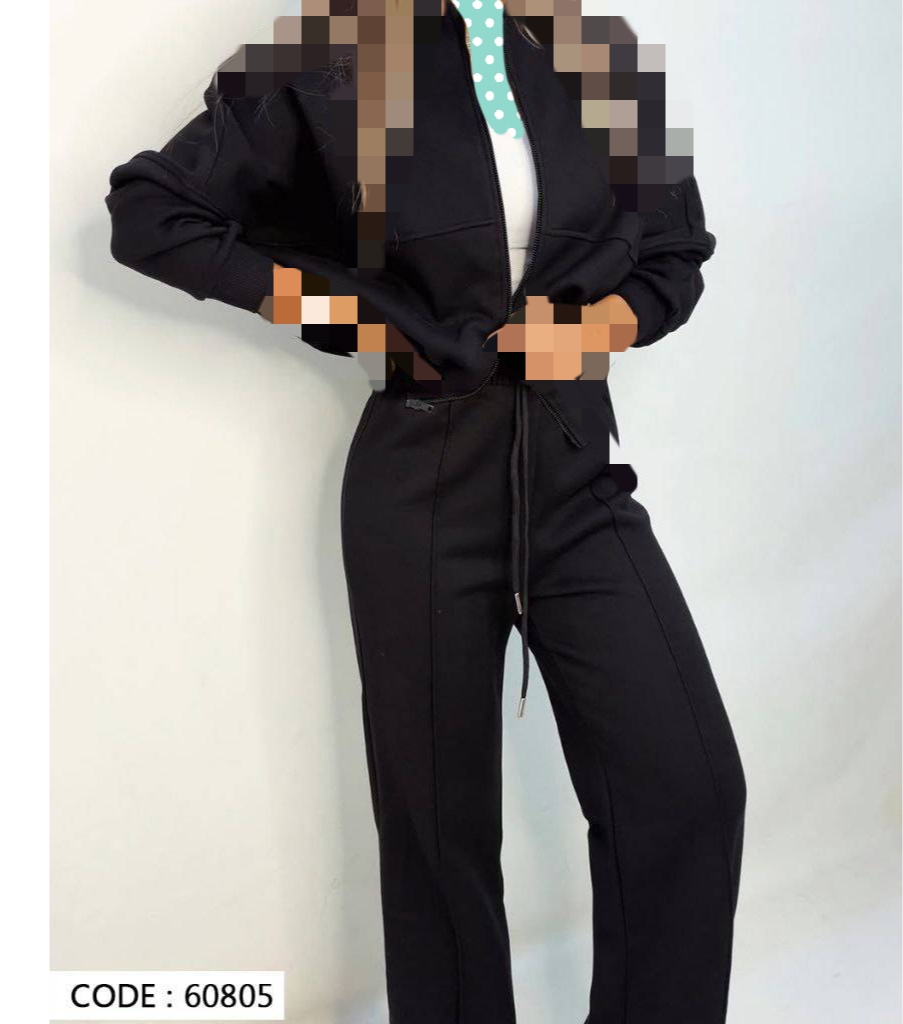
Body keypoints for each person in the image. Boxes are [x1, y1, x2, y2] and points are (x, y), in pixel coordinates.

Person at [106, 2, 747, 1020]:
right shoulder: (321, 55)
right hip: (421, 479)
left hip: (577, 473)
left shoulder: (603, 51)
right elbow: (150, 212)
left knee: (690, 789)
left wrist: (586, 335)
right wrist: (369, 320)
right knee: (438, 835)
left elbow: (676, 252)